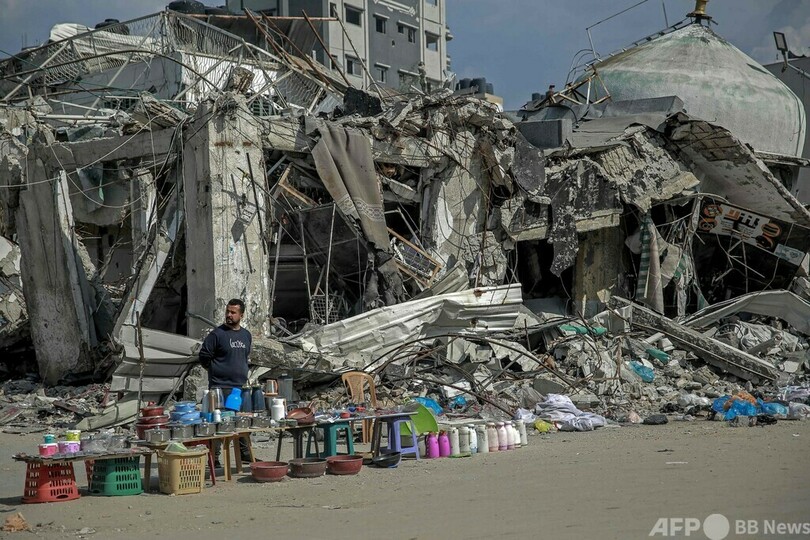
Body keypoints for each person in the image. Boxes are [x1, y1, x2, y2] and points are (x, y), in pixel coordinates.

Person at [199, 298, 254, 467]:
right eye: (227, 312)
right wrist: (216, 371)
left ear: (241, 315)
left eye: (233, 312)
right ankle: (214, 459)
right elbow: (204, 356)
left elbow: (244, 357)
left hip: (239, 388)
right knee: (218, 424)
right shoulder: (217, 334)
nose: (229, 315)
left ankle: (245, 454)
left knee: (241, 423)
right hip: (219, 387)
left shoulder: (246, 335)